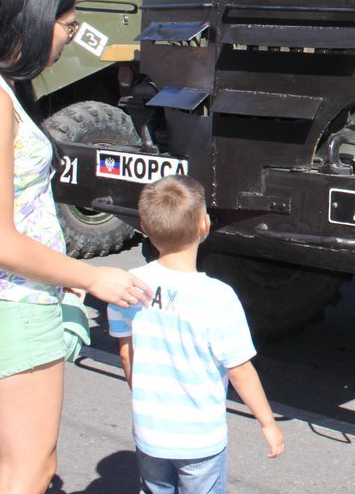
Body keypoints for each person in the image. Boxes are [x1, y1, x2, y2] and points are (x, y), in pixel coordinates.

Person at [0, 0, 150, 492]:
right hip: (10, 307)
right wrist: (92, 276)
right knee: (30, 468)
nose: (69, 38)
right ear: (34, 21)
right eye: (67, 25)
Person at [109, 175, 283, 491]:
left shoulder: (128, 284)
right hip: (200, 439)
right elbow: (240, 370)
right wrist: (267, 422)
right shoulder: (218, 297)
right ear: (204, 226)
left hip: (150, 433)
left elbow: (126, 355)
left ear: (145, 229)